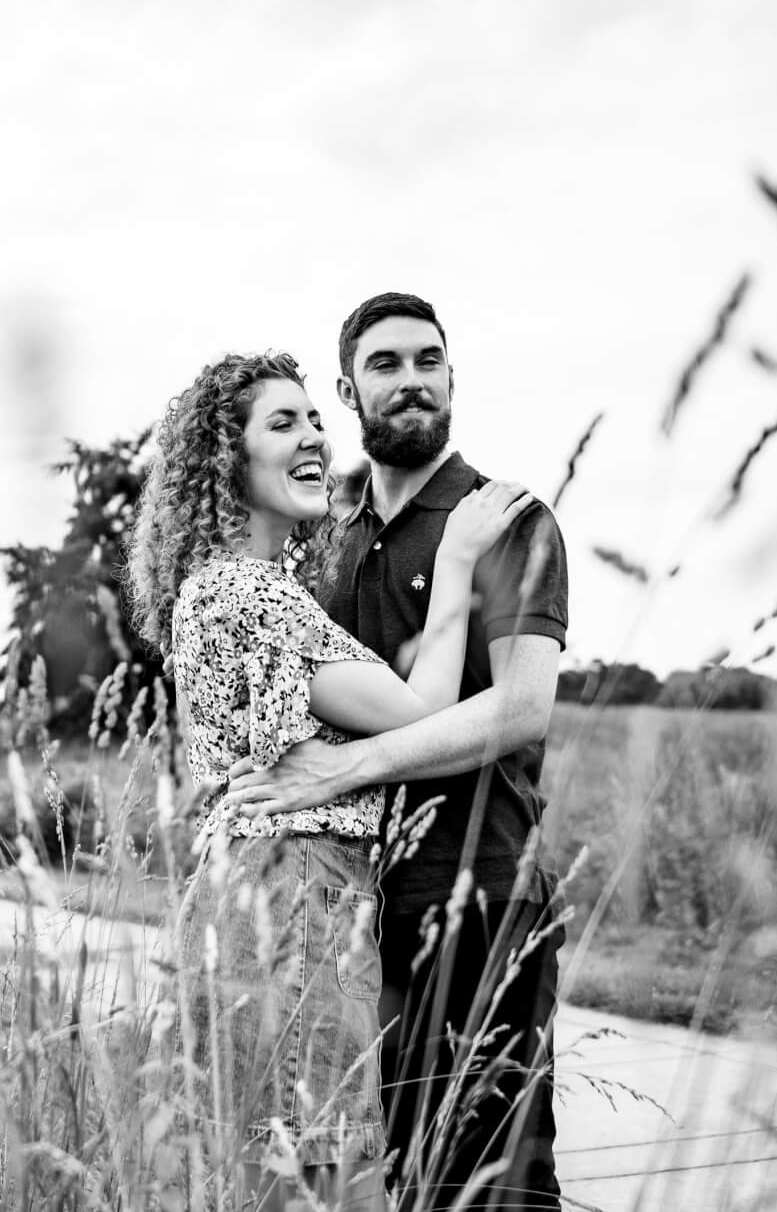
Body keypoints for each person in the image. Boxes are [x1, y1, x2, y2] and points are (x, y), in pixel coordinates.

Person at [125, 350, 533, 1212]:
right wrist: (455, 560)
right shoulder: (252, 597)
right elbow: (424, 705)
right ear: (225, 461)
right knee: (325, 1178)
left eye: (315, 418)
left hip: (256, 891)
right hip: (297, 900)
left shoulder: (227, 589)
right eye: (283, 423)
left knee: (267, 1171)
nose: (314, 437)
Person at [219, 294, 570, 1212]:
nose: (412, 380)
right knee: (360, 1178)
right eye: (386, 364)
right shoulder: (320, 539)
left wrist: (355, 767)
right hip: (340, 911)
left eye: (429, 360)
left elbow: (523, 707)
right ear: (347, 389)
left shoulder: (505, 518)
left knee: (494, 1181)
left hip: (479, 893)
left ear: (452, 377)